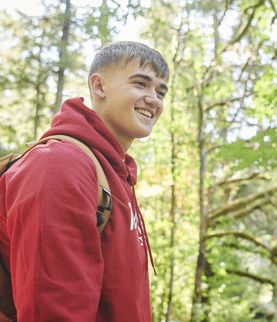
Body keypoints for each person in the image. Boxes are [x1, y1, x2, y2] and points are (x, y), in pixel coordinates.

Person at [0, 41, 169, 321]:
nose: (154, 99)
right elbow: (52, 309)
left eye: (161, 91)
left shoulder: (115, 174)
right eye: (141, 84)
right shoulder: (61, 164)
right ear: (99, 86)